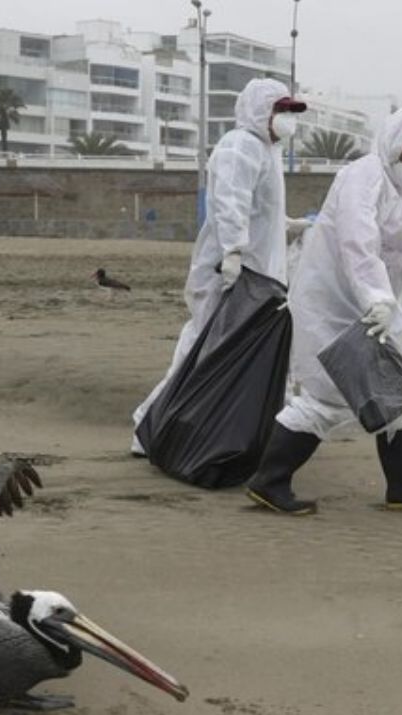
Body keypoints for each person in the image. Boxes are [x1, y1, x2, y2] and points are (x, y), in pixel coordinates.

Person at [244, 102, 402, 515]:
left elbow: (398, 256)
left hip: (369, 307)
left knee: (397, 390)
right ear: (394, 145)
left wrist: (394, 307)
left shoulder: (394, 189)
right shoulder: (363, 177)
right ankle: (269, 480)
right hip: (337, 307)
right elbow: (357, 244)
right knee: (327, 397)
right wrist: (377, 299)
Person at [131, 77, 307, 455]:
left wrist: (286, 225)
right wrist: (232, 253)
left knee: (229, 351)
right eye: (281, 110)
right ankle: (151, 426)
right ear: (261, 111)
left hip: (256, 274)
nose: (288, 120)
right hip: (231, 274)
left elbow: (258, 206)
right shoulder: (240, 146)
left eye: (290, 112)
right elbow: (229, 203)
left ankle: (211, 428)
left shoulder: (265, 151)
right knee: (203, 347)